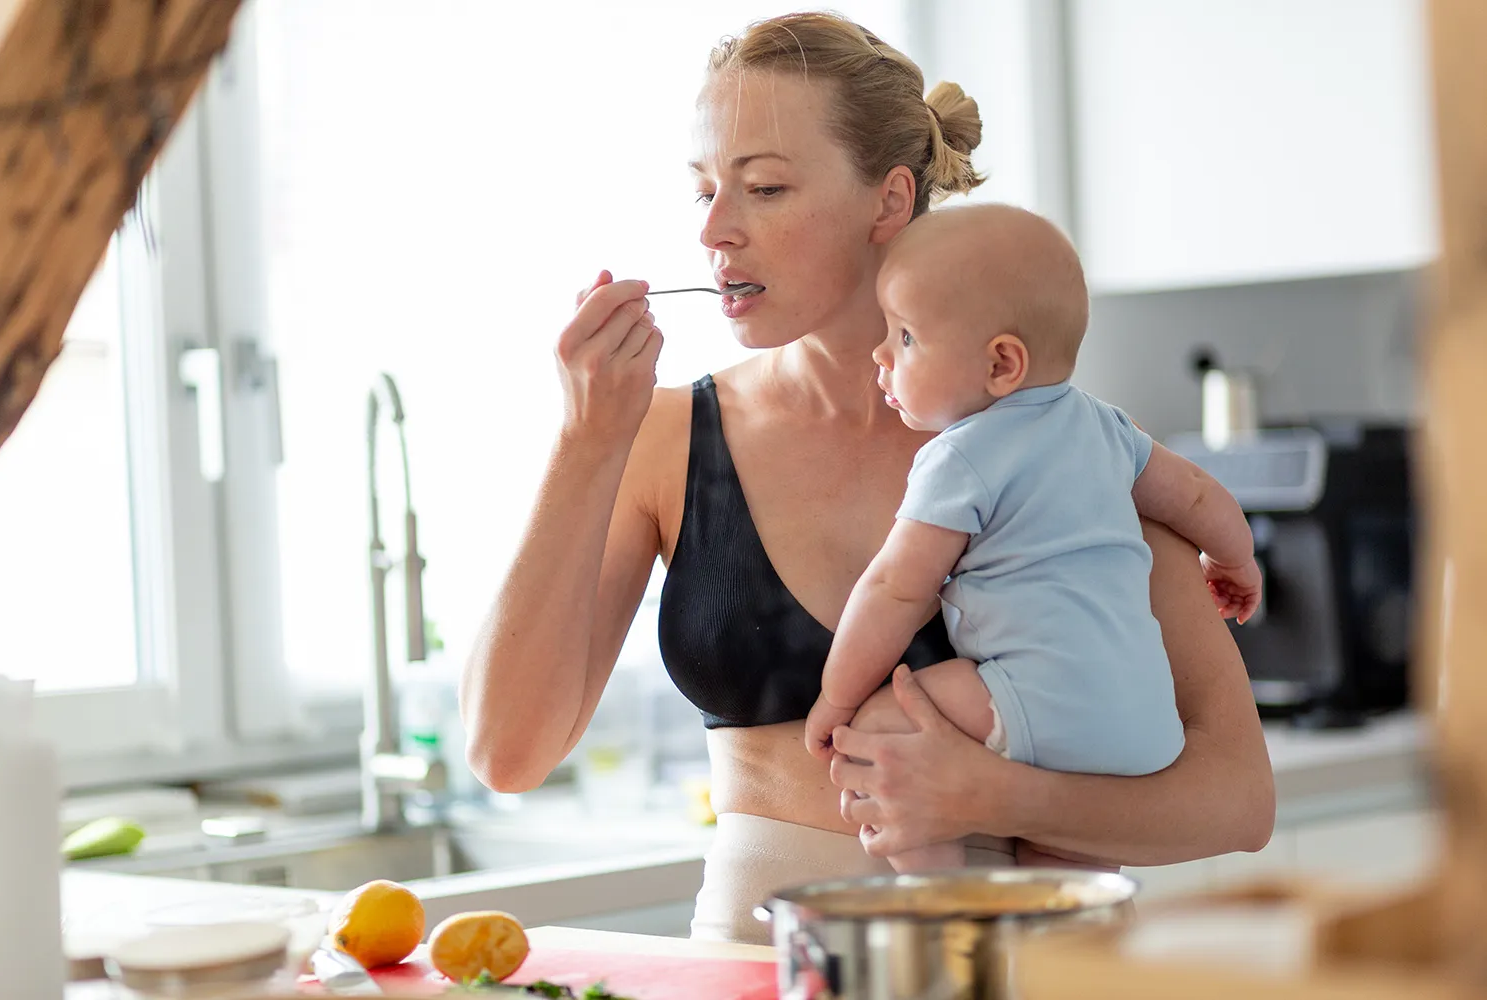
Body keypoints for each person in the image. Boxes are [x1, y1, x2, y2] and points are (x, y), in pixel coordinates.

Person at [461, 11, 1275, 945]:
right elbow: (507, 754)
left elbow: (1238, 799)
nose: (715, 230)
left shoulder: (1061, 440)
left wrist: (998, 796)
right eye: (704, 191)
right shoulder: (663, 436)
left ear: (889, 201)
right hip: (759, 968)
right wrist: (584, 440)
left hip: (1031, 970)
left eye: (765, 187)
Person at [803, 203, 1263, 875]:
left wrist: (838, 698)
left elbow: (895, 590)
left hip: (1039, 703)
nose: (881, 353)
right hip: (1145, 728)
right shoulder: (1108, 427)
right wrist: (1234, 560)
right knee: (1065, 867)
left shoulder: (958, 457)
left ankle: (938, 896)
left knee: (880, 728)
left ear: (1002, 364)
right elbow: (1197, 494)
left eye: (905, 337)